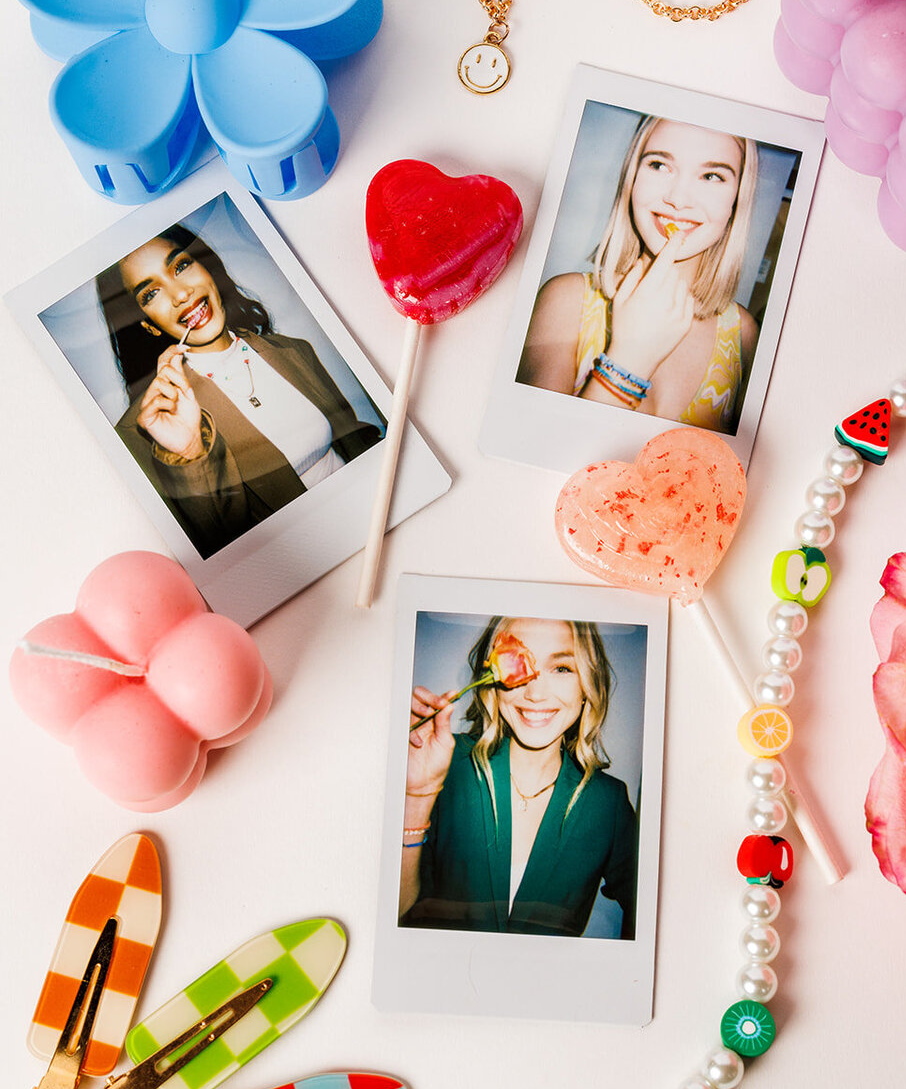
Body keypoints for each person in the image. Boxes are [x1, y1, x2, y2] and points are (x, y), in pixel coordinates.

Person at [96, 224, 382, 557]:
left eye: (181, 265)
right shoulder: (141, 433)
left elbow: (354, 439)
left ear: (207, 266)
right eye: (151, 293)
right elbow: (222, 552)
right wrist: (190, 453)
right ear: (146, 323)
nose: (180, 294)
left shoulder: (294, 349)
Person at [517, 116, 761, 432]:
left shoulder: (743, 335)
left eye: (712, 176)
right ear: (631, 178)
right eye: (659, 165)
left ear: (737, 199)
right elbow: (532, 449)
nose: (678, 199)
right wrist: (629, 360)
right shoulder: (565, 299)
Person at [401, 617, 638, 938]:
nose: (535, 693)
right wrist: (417, 796)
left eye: (562, 668)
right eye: (517, 663)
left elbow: (658, 916)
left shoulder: (608, 804)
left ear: (587, 687)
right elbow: (398, 913)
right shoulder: (445, 761)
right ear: (493, 683)